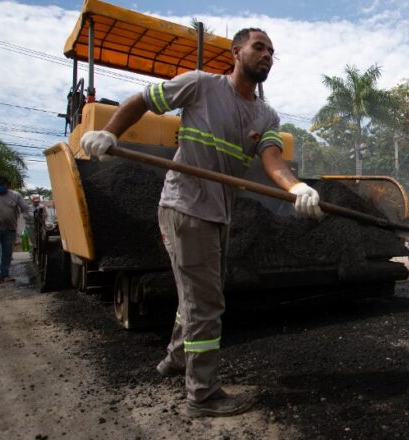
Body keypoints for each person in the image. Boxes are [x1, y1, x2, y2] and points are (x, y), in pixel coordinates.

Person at [79, 28, 323, 418]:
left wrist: (297, 187)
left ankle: (177, 359)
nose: (267, 56)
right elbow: (143, 100)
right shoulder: (199, 86)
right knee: (206, 302)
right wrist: (110, 132)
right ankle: (203, 395)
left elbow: (272, 159)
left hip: (218, 213)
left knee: (197, 296)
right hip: (184, 207)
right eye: (259, 47)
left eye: (272, 52)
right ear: (236, 51)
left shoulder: (265, 115)